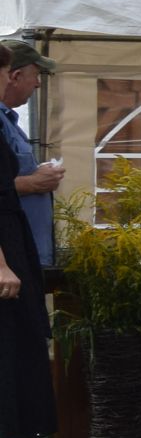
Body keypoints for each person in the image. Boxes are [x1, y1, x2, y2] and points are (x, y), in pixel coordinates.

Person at [0, 64, 74, 438]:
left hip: (15, 248)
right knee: (22, 358)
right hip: (7, 255)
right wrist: (2, 263)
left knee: (20, 357)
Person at [2, 41, 59, 283]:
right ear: (14, 76)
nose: (38, 83)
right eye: (36, 75)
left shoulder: (9, 121)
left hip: (22, 249)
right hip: (9, 254)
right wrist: (34, 183)